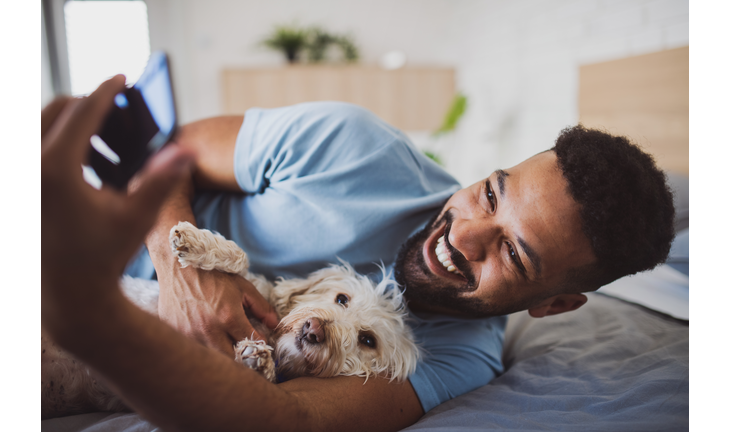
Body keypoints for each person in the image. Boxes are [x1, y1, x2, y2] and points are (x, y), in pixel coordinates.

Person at [42, 75, 675, 431]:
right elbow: (167, 149)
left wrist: (92, 322)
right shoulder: (352, 145)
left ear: (557, 303)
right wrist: (183, 269)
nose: (463, 236)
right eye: (489, 194)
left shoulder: (457, 362)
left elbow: (289, 424)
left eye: (513, 253)